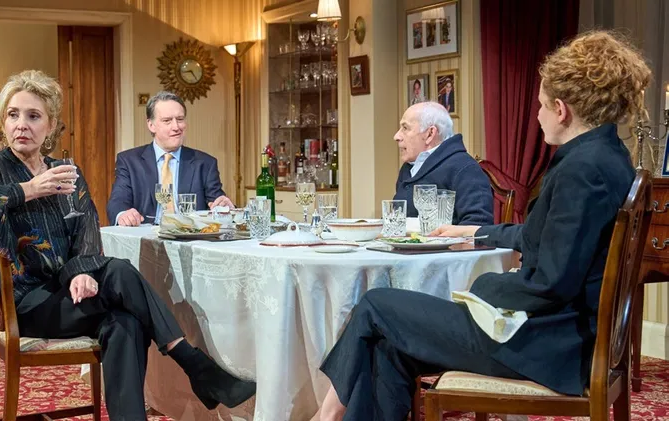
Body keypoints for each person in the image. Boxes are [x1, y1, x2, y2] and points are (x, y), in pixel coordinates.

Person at [313, 30, 648, 421]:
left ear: (561, 110)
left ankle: (324, 416)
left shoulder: (581, 171)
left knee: (375, 305)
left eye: (540, 106)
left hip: (544, 345)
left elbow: (551, 283)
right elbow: (542, 237)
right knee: (386, 344)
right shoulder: (608, 155)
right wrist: (471, 231)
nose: (536, 115)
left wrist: (483, 288)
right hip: (557, 335)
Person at [0, 70, 256, 420]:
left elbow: (86, 231)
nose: (22, 124)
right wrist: (29, 189)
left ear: (50, 126)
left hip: (68, 296)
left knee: (125, 322)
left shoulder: (66, 172)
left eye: (33, 116)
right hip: (25, 304)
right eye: (13, 114)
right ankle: (195, 365)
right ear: (4, 122)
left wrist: (80, 272)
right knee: (119, 270)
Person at [107, 91, 234, 226]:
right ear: (151, 125)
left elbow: (218, 205)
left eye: (180, 119)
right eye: (167, 121)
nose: (176, 127)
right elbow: (118, 201)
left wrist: (225, 208)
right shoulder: (129, 161)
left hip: (189, 235)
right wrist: (123, 214)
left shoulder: (205, 163)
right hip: (146, 233)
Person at [393, 101, 493, 225]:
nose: (396, 136)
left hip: (442, 239)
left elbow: (478, 225)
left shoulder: (466, 168)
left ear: (430, 134)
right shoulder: (408, 167)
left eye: (405, 128)